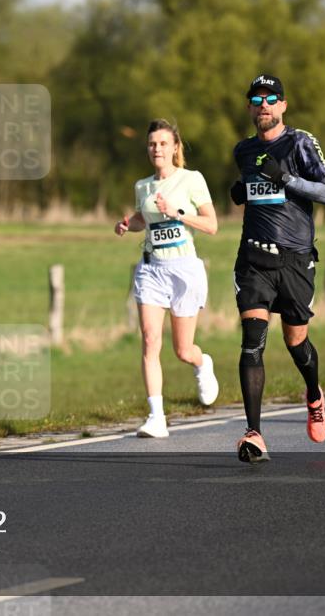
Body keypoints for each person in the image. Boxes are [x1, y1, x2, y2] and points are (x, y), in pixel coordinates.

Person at [229, 74, 325, 463]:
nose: (264, 105)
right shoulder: (243, 151)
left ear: (283, 105)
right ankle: (254, 432)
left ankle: (314, 395)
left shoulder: (301, 142)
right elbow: (251, 189)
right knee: (253, 340)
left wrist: (288, 179)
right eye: (257, 99)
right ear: (249, 107)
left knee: (296, 343)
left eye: (271, 98)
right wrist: (241, 191)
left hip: (295, 259)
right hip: (254, 258)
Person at [115, 119, 220, 438]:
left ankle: (202, 364)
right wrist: (126, 224)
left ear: (175, 147)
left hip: (184, 269)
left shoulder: (192, 180)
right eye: (151, 144)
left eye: (162, 143)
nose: (156, 149)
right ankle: (156, 416)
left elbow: (212, 225)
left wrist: (177, 213)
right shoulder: (142, 186)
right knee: (149, 340)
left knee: (182, 350)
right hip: (152, 269)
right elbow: (142, 219)